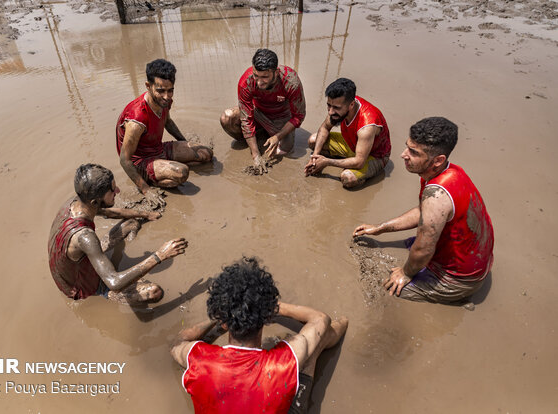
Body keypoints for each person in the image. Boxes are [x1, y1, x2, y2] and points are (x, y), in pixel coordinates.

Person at [170, 257, 348, 413]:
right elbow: (320, 319)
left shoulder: (198, 360)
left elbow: (178, 341)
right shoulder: (284, 362)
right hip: (284, 371)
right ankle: (346, 320)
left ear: (223, 319)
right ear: (266, 318)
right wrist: (271, 306)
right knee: (313, 347)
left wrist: (219, 318)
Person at [353, 117, 494, 304]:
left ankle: (461, 299)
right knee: (412, 250)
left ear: (438, 160)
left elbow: (424, 248)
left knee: (390, 288)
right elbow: (423, 212)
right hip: (473, 257)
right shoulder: (446, 172)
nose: (403, 154)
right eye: (407, 146)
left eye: (413, 152)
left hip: (460, 279)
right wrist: (380, 228)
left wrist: (405, 273)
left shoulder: (436, 195)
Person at [48, 164, 188, 304]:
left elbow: (110, 212)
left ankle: (104, 261)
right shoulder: (85, 237)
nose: (118, 190)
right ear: (95, 202)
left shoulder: (77, 202)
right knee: (154, 292)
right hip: (83, 284)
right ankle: (103, 292)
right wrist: (160, 255)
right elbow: (114, 282)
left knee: (132, 222)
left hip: (75, 262)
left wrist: (147, 214)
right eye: (112, 190)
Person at [116, 59, 213, 200]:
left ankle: (163, 170)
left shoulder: (164, 101)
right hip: (141, 162)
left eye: (170, 90)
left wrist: (184, 143)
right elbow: (124, 160)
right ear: (148, 86)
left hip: (158, 149)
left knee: (206, 153)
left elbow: (168, 122)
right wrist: (146, 190)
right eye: (161, 91)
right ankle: (152, 178)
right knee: (182, 172)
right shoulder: (137, 119)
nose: (167, 96)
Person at [220, 49, 306, 174]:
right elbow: (246, 118)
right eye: (256, 75)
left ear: (276, 73)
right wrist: (256, 156)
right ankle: (255, 138)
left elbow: (299, 116)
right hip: (257, 113)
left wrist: (278, 137)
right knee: (227, 118)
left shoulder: (291, 82)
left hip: (281, 119)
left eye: (265, 77)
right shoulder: (246, 81)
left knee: (281, 152)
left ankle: (267, 137)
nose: (259, 82)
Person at [304, 78, 391, 188]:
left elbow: (359, 161)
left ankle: (359, 172)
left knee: (347, 178)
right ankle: (345, 161)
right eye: (329, 105)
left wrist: (327, 162)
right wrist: (315, 157)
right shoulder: (341, 104)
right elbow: (325, 128)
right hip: (352, 145)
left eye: (336, 108)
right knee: (313, 140)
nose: (330, 111)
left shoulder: (367, 126)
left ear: (351, 105)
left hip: (373, 155)